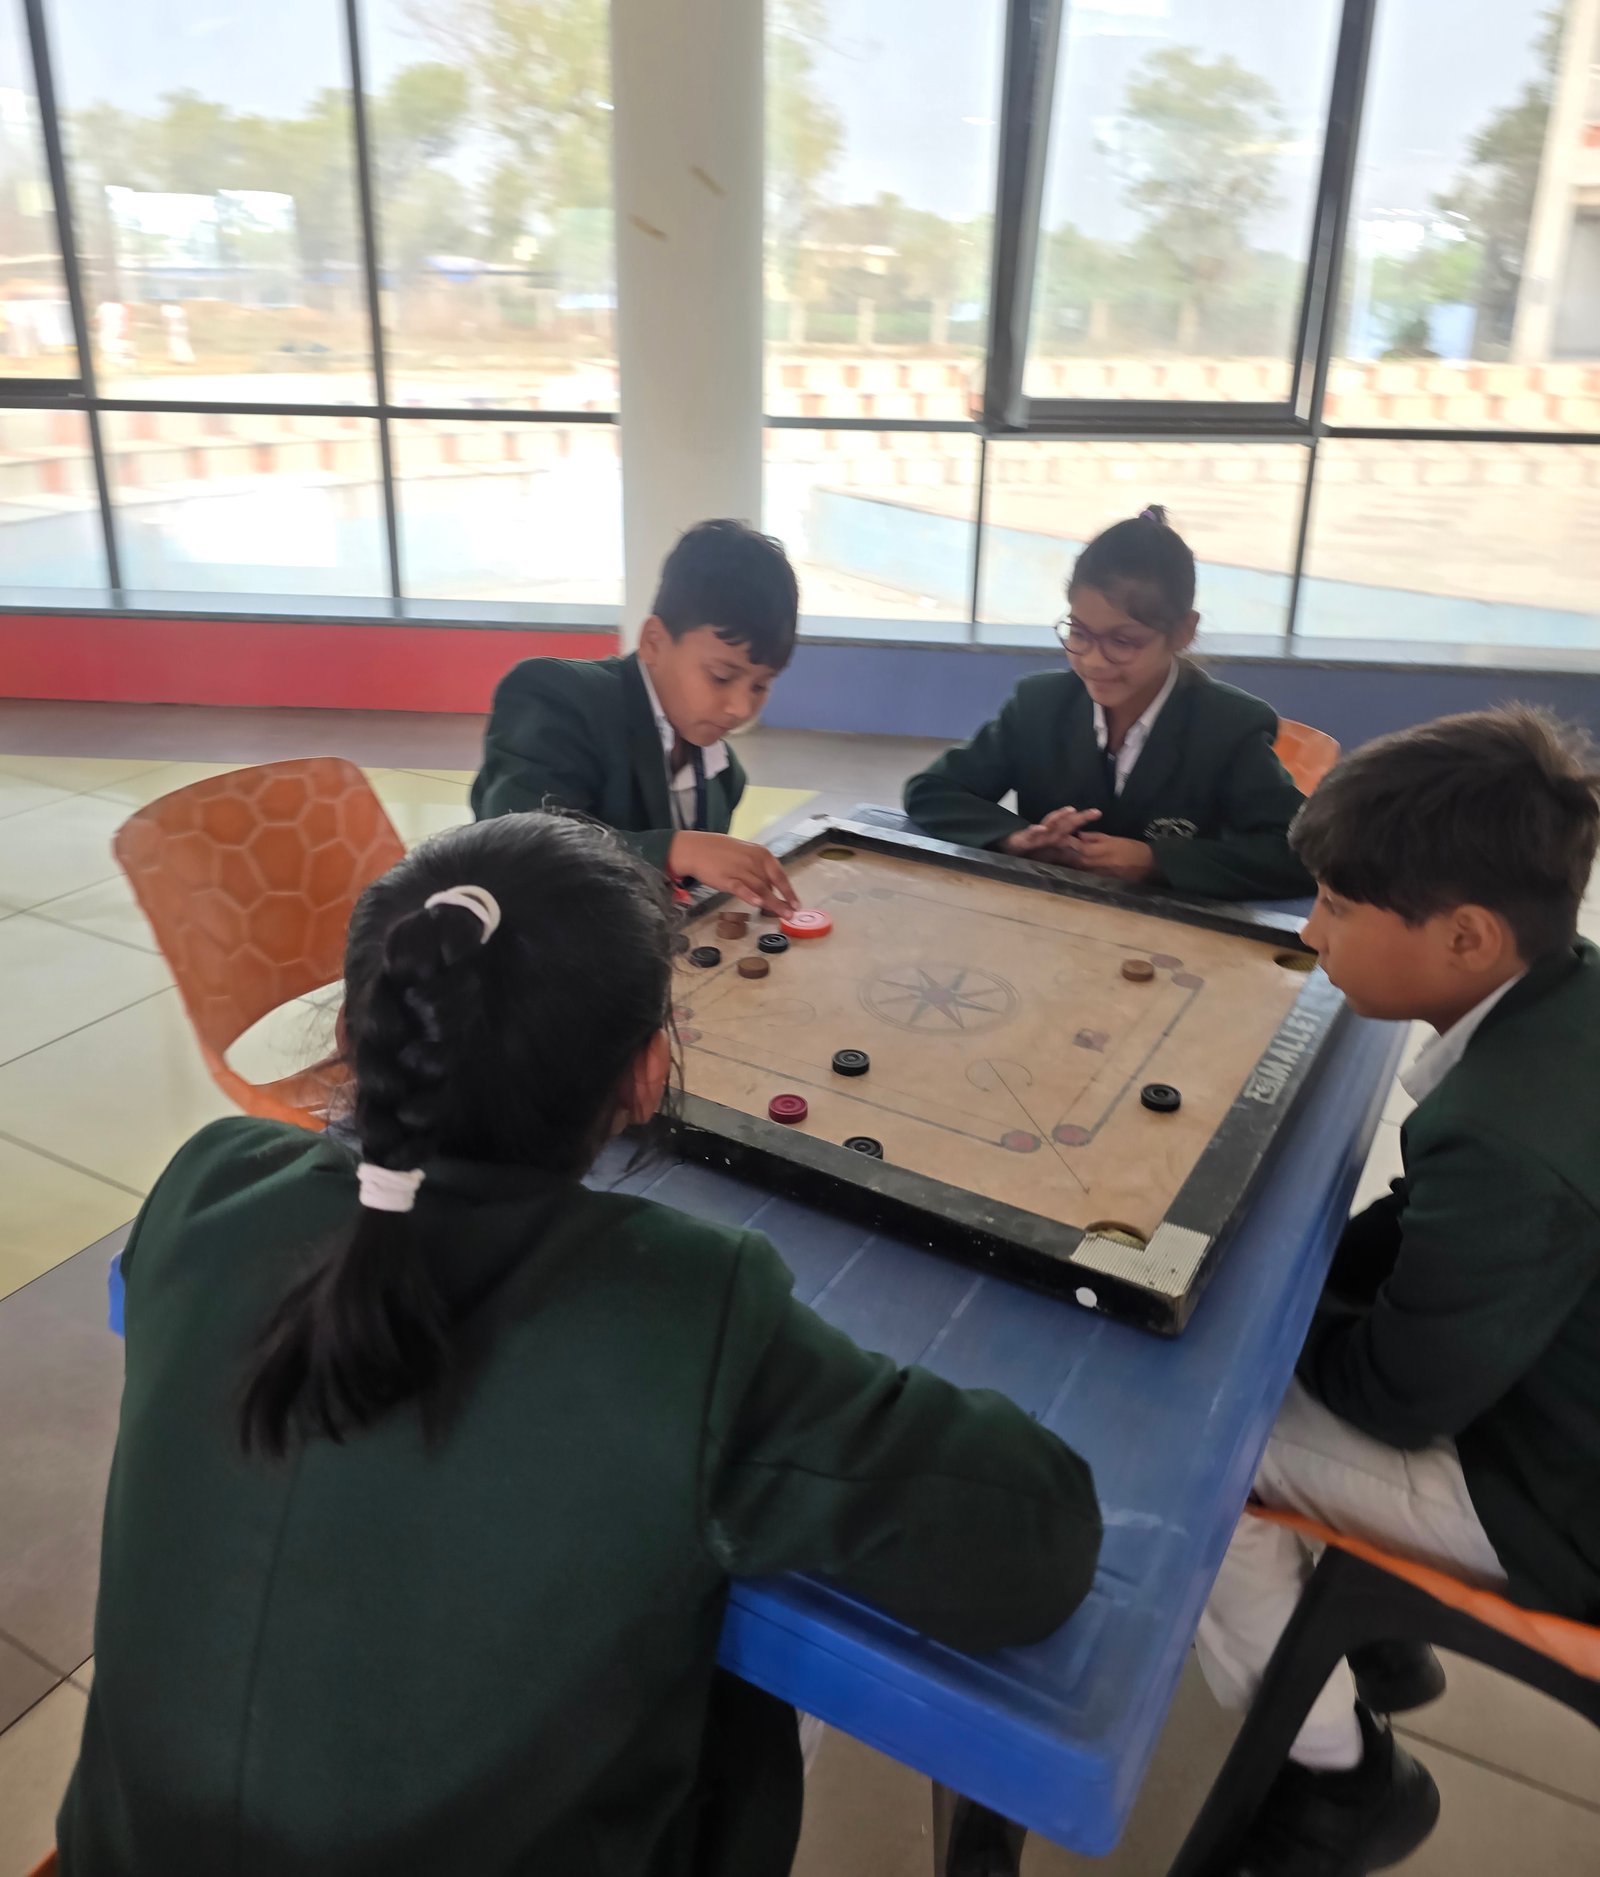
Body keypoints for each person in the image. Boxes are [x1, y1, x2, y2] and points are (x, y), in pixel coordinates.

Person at [60, 812, 1103, 1877]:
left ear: (352, 1033)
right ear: (647, 1073)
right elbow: (1035, 1550)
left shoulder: (210, 1185)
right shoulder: (688, 1309)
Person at [1194, 706, 1600, 1875]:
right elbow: (1426, 1230)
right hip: (1549, 1405)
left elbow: (1395, 1397)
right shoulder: (1560, 1006)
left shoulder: (1505, 1139)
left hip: (1555, 1505)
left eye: (1336, 904)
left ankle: (1341, 1778)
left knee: (1202, 1451)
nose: (1311, 928)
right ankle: (1375, 1641)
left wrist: (1266, 1317)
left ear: (1465, 936)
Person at [903, 507, 1312, 902]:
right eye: (1079, 633)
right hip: (1046, 916)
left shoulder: (1228, 727)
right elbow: (932, 790)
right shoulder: (1039, 706)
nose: (1094, 661)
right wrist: (1014, 838)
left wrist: (1157, 861)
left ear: (1183, 632)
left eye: (1123, 641)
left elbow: (1303, 854)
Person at [473, 518, 801, 914]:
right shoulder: (558, 696)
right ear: (654, 642)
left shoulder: (724, 778)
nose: (741, 708)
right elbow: (518, 846)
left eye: (760, 685)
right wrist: (674, 849)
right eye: (721, 676)